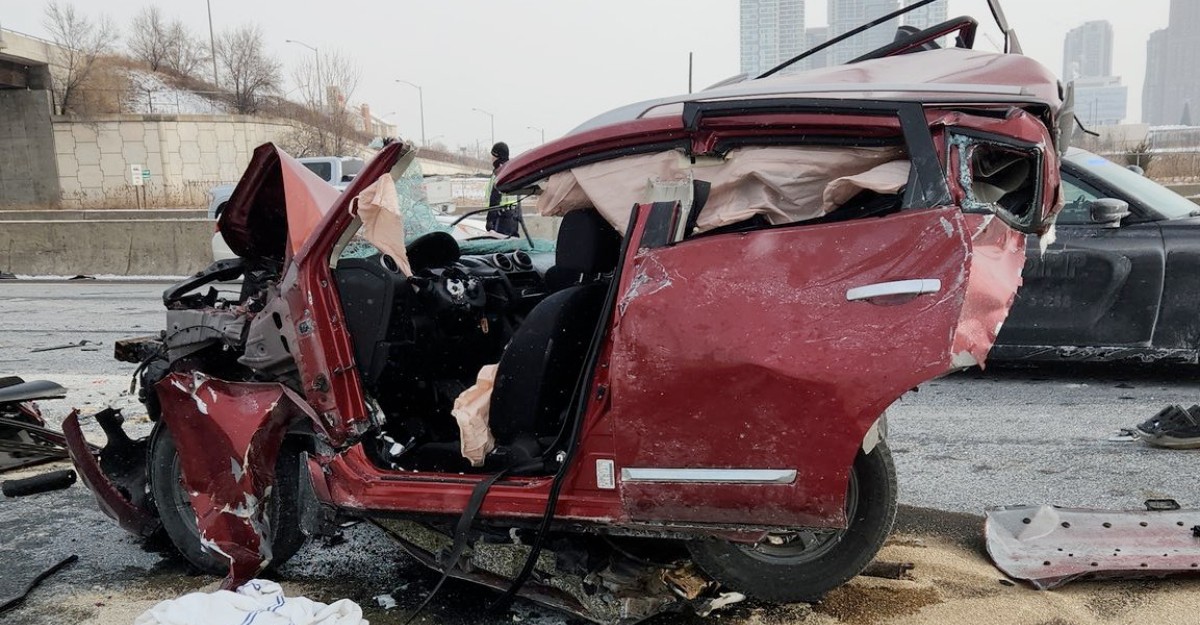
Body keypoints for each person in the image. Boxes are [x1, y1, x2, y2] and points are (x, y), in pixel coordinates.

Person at [484, 142, 520, 236]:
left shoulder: (500, 172)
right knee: (512, 244)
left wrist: (490, 220)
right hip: (512, 216)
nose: (492, 159)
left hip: (501, 216)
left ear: (498, 157)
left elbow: (495, 198)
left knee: (500, 245)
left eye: (493, 156)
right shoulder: (510, 169)